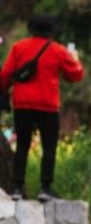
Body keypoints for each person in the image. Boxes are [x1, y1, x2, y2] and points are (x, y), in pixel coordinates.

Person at [0, 14, 84, 201]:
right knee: (49, 147)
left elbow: (5, 74)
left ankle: (16, 188)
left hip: (22, 104)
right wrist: (75, 59)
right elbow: (76, 75)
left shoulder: (18, 47)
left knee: (22, 145)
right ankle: (45, 188)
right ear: (51, 32)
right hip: (47, 107)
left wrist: (4, 93)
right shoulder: (58, 51)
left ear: (32, 29)